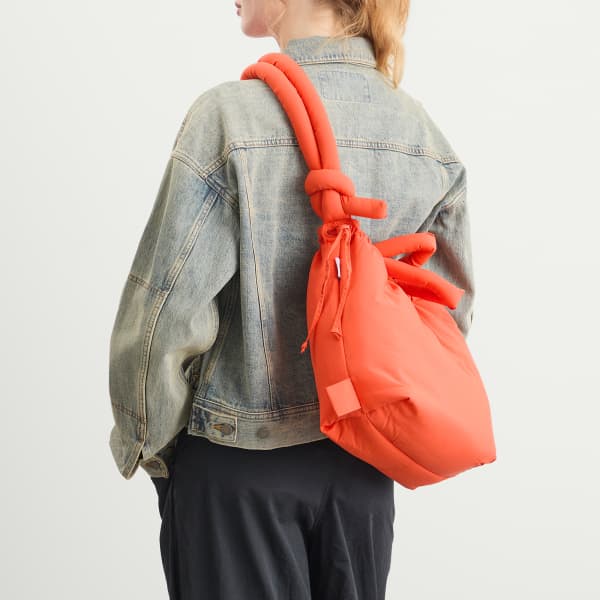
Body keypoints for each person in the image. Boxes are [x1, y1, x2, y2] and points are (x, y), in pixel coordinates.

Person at [108, 0, 476, 598]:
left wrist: (154, 452)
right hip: (363, 480)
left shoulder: (230, 118)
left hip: (237, 470)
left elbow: (162, 321)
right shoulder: (423, 136)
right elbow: (446, 322)